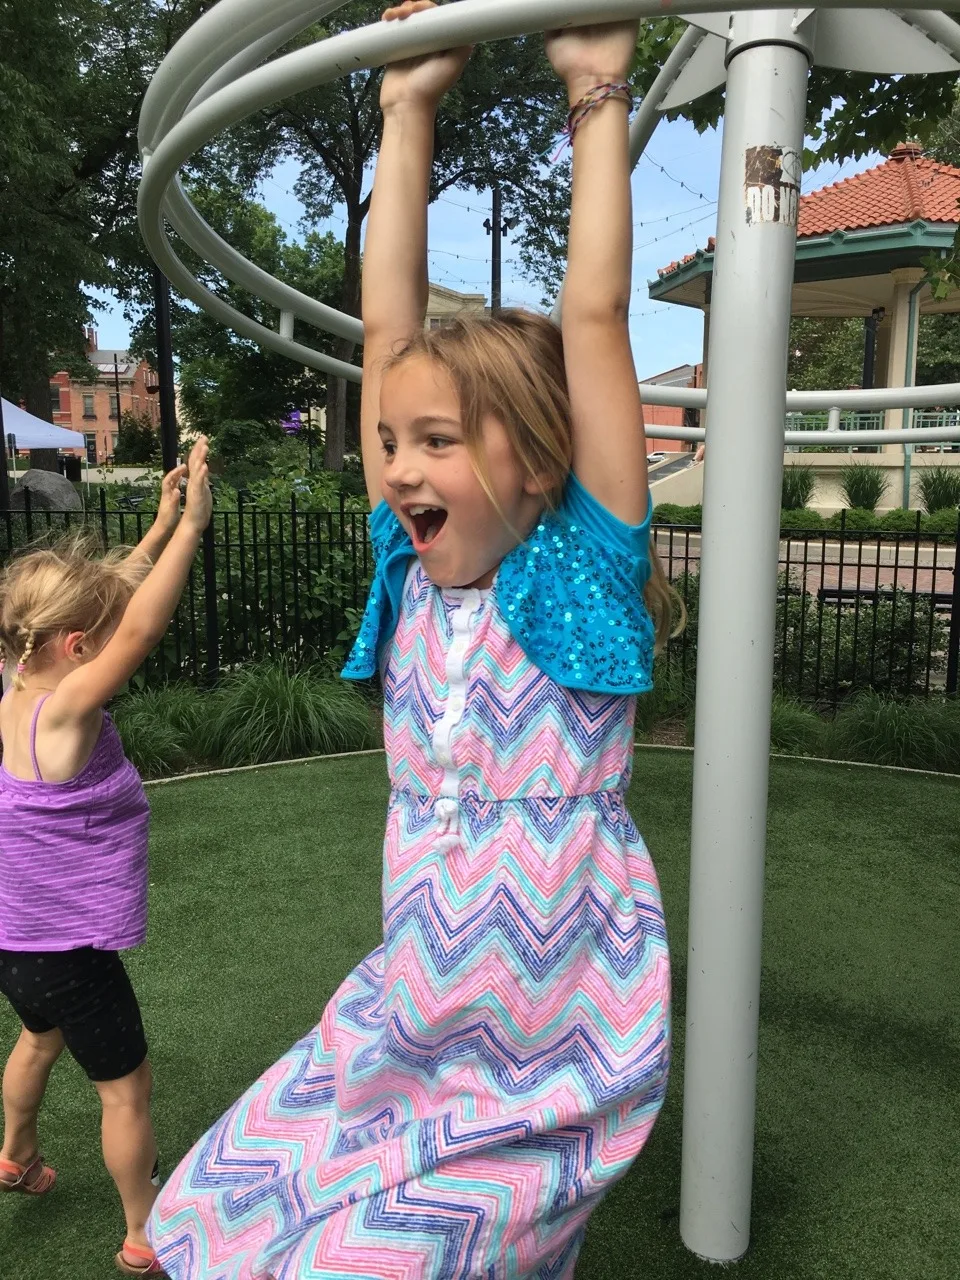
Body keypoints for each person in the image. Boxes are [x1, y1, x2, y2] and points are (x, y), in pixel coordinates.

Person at [148, 7, 679, 1277]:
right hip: (415, 1014)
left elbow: (594, 316)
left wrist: (595, 88)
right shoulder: (411, 563)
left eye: (437, 442)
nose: (398, 467)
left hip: (554, 1031)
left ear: (539, 461)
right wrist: (405, 104)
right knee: (236, 1229)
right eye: (392, 442)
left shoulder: (581, 566)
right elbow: (386, 339)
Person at [0, 438, 212, 1277]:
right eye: (102, 635)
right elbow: (143, 624)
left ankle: (15, 1155)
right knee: (125, 1091)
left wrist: (156, 525)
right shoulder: (67, 713)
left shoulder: (16, 680)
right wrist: (191, 527)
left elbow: (107, 600)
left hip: (14, 942)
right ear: (80, 647)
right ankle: (141, 1233)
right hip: (71, 953)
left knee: (36, 1042)